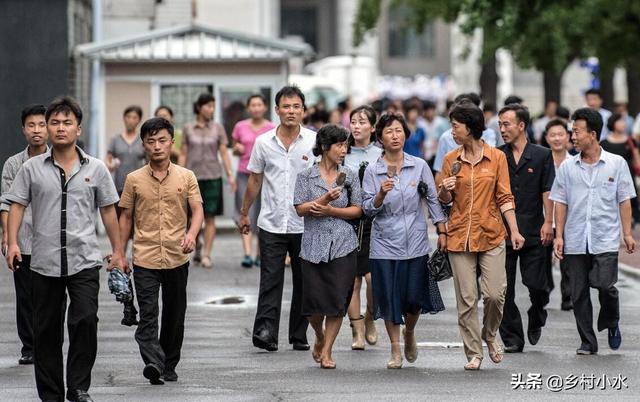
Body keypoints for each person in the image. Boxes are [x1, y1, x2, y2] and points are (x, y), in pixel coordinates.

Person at [5, 96, 126, 402]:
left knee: (85, 320)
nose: (60, 128)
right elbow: (15, 205)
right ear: (47, 127)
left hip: (84, 259)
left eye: (67, 122)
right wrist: (13, 242)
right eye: (54, 122)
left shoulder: (96, 169)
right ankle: (51, 394)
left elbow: (109, 211)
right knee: (46, 331)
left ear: (78, 128)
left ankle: (78, 386)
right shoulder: (31, 169)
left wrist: (119, 252)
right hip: (43, 262)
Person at [438, 101, 525, 371]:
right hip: (459, 235)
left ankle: (490, 334)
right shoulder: (450, 159)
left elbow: (505, 196)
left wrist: (515, 230)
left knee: (495, 295)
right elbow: (443, 200)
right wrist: (445, 189)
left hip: (491, 233)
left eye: (456, 126)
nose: (452, 131)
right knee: (466, 299)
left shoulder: (497, 157)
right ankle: (474, 352)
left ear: (471, 127)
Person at [118, 117, 203, 385]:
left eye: (162, 140)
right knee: (148, 313)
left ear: (171, 143)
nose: (157, 146)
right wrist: (120, 253)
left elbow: (197, 210)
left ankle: (169, 363)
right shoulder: (133, 180)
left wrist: (191, 234)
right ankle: (154, 361)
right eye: (151, 141)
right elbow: (126, 218)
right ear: (144, 145)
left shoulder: (186, 176)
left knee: (175, 315)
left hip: (178, 256)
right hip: (145, 257)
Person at [362, 113, 447, 369]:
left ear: (405, 135)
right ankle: (395, 349)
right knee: (389, 299)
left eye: (399, 131)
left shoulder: (419, 165)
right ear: (380, 139)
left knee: (413, 300)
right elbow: (366, 209)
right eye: (389, 132)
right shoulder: (372, 171)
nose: (395, 136)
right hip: (384, 245)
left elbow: (433, 199)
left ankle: (409, 333)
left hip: (416, 243)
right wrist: (379, 195)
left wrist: (442, 231)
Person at [551, 107, 636, 355]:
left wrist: (627, 233)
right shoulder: (568, 167)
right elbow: (560, 201)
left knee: (605, 286)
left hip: (605, 237)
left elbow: (624, 200)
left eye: (577, 132)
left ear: (593, 133)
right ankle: (588, 342)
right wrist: (559, 236)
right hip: (576, 238)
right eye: (572, 132)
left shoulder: (616, 163)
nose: (572, 137)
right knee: (578, 293)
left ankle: (611, 320)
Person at [238, 85, 314, 352]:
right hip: (271, 221)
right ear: (277, 110)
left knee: (305, 281)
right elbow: (255, 180)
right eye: (286, 106)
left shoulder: (314, 142)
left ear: (303, 110)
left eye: (296, 106)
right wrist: (245, 212)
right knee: (270, 279)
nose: (291, 111)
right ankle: (266, 331)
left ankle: (299, 334)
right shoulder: (263, 142)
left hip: (305, 222)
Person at [293, 124, 362, 368]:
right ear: (324, 147)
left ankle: (328, 351)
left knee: (337, 300)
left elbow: (358, 209)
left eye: (346, 145)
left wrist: (333, 210)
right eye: (339, 145)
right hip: (313, 244)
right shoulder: (305, 176)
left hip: (343, 244)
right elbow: (300, 208)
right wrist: (324, 199)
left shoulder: (350, 174)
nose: (344, 150)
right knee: (313, 303)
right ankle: (319, 335)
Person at [496, 104, 555, 353]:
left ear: (521, 126)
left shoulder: (542, 155)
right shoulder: (498, 155)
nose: (502, 129)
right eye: (500, 124)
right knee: (502, 290)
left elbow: (548, 191)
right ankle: (512, 338)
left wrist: (548, 222)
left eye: (506, 124)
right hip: (503, 232)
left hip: (534, 229)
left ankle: (537, 312)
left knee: (537, 284)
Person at [0, 104, 49, 366]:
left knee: (50, 296)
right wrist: (8, 237)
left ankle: (47, 342)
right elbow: (6, 202)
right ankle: (29, 346)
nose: (37, 130)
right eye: (32, 125)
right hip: (24, 239)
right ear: (23, 130)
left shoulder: (59, 160)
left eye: (42, 125)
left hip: (51, 241)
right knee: (25, 297)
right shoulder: (13, 164)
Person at [180, 93, 236, 268]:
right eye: (208, 106)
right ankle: (195, 246)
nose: (211, 109)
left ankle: (206, 254)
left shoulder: (218, 128)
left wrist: (230, 174)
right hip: (192, 177)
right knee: (190, 217)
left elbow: (224, 153)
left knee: (210, 217)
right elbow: (183, 153)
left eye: (213, 106)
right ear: (199, 107)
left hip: (213, 176)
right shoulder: (188, 128)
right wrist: (179, 175)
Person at [343, 105, 382, 350]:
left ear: (373, 127)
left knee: (373, 279)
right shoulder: (342, 153)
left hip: (375, 222)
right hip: (347, 219)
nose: (356, 126)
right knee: (352, 280)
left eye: (362, 122)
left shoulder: (381, 153)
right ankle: (356, 330)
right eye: (353, 122)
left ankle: (370, 319)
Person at [232, 94, 276, 268]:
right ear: (248, 108)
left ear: (265, 107)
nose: (256, 108)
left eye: (259, 104)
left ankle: (259, 254)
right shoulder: (240, 127)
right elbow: (235, 149)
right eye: (253, 105)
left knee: (262, 213)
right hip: (245, 174)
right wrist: (237, 149)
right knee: (246, 212)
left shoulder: (272, 128)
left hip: (265, 176)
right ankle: (247, 254)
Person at [433, 93, 498, 184]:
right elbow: (440, 177)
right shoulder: (448, 151)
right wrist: (444, 191)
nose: (453, 132)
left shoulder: (497, 154)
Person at [544, 119, 573, 311]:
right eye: (552, 135)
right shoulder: (541, 162)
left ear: (568, 137)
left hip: (568, 219)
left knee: (568, 261)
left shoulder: (575, 163)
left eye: (561, 134)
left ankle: (567, 296)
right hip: (545, 218)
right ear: (546, 138)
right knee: (543, 259)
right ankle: (546, 287)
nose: (557, 138)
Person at [601, 113, 640, 224]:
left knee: (628, 200)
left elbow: (636, 159)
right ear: (613, 123)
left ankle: (629, 224)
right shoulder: (604, 143)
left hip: (628, 176)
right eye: (620, 121)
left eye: (623, 121)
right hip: (609, 178)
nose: (623, 124)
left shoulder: (631, 141)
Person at [105, 105, 146, 206]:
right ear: (124, 118)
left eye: (134, 117)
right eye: (128, 117)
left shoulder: (143, 140)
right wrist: (110, 165)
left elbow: (149, 162)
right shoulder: (115, 139)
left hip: (139, 186)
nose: (131, 120)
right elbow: (108, 160)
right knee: (121, 218)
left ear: (139, 120)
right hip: (119, 186)